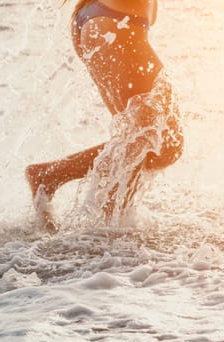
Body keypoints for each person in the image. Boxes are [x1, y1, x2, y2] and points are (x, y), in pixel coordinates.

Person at [26, 0, 184, 232]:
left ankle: (110, 225)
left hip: (101, 21)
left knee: (143, 140)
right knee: (154, 140)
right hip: (117, 27)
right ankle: (107, 228)